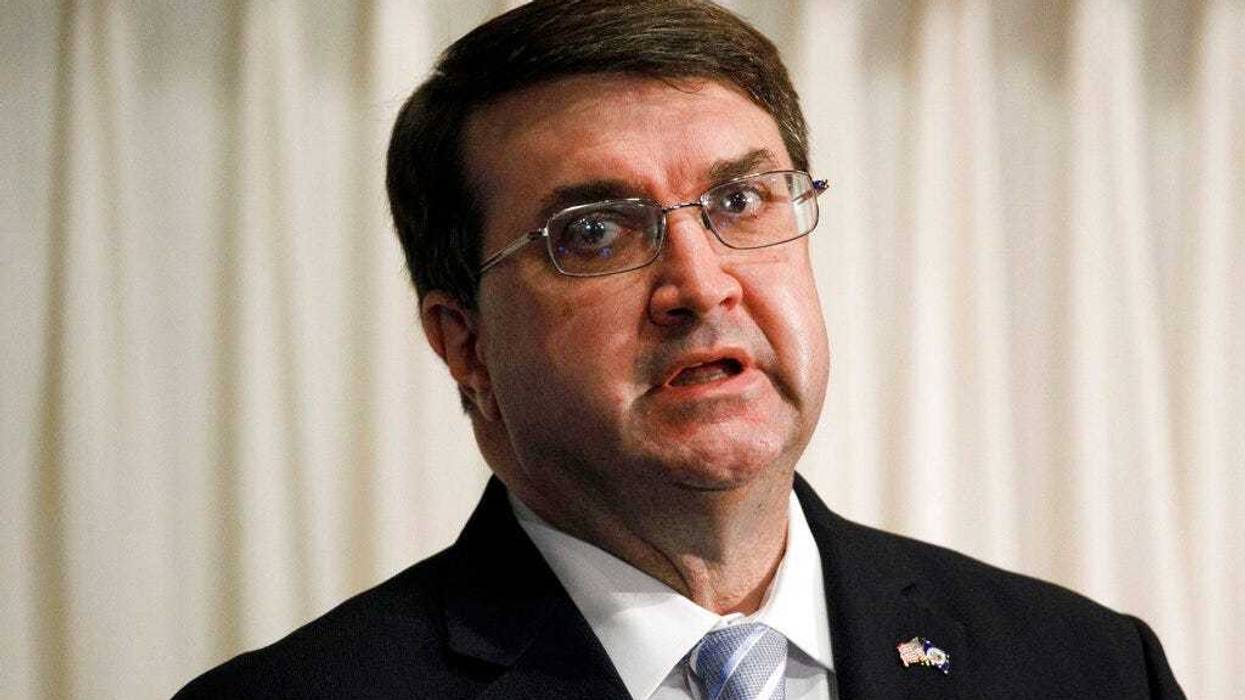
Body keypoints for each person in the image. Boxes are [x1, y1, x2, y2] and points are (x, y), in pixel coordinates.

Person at [177, 1, 1184, 698]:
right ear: (464, 344)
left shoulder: (1087, 669)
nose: (701, 283)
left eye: (740, 201)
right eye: (594, 233)